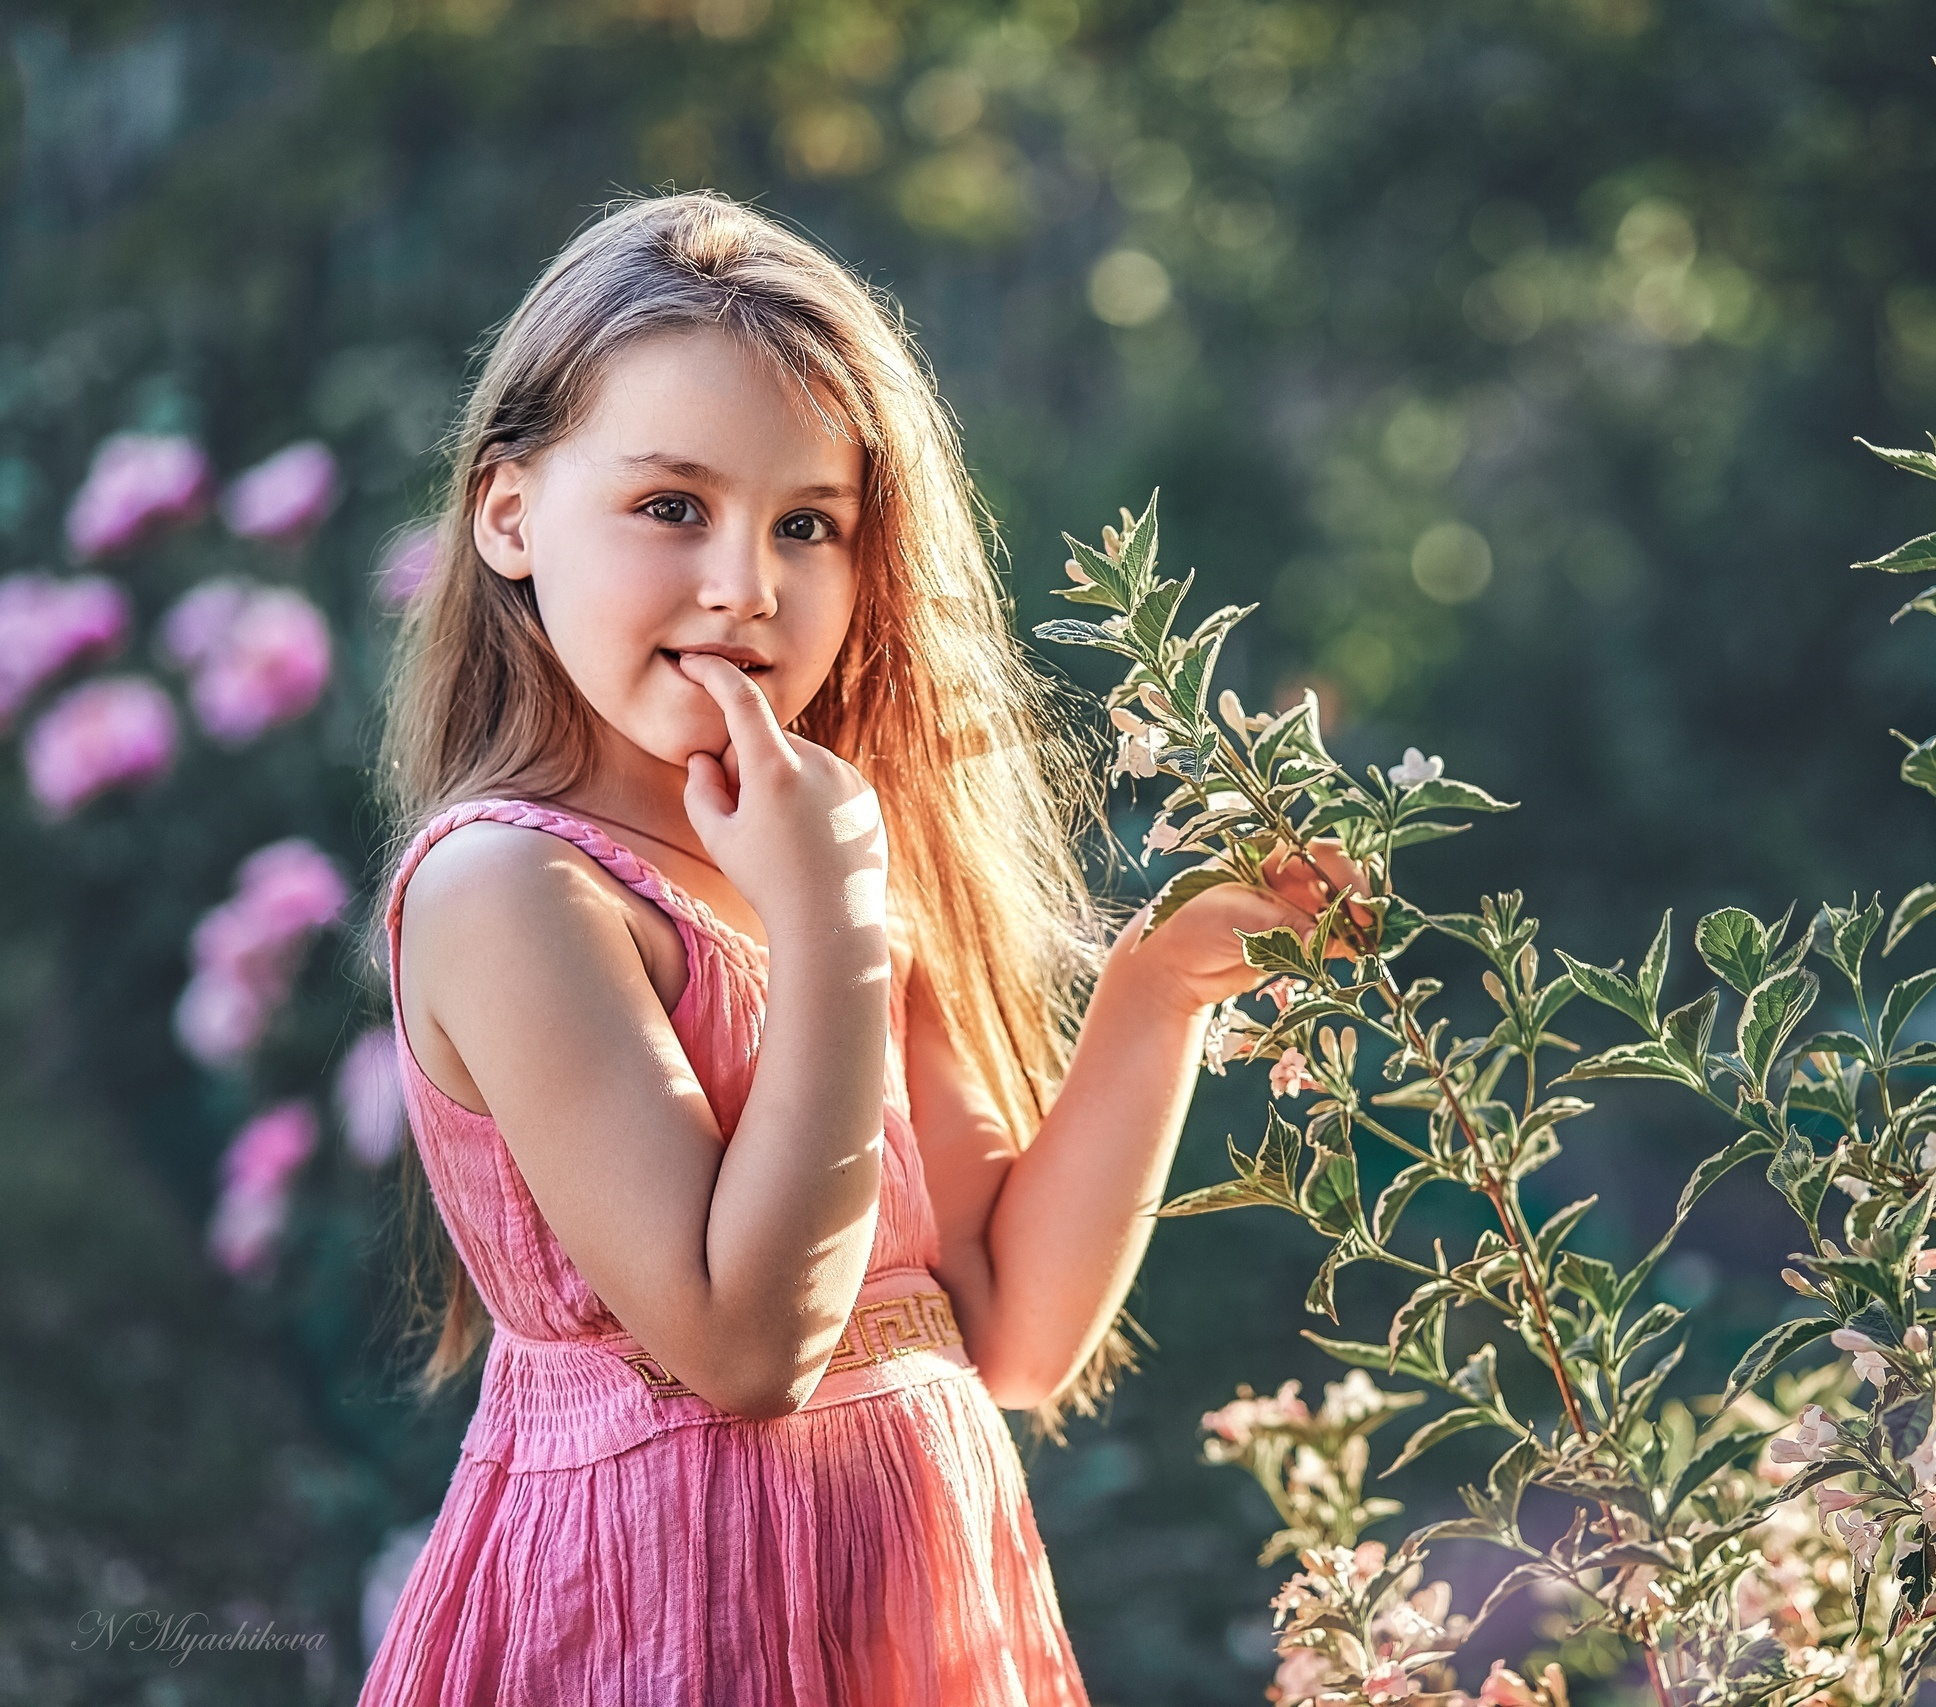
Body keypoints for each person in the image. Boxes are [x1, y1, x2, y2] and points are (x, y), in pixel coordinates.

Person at [356, 191, 1358, 1705]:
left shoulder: (828, 867)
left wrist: (1155, 994)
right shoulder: (513, 891)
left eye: (806, 525)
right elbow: (747, 1348)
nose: (744, 588)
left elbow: (1010, 1333)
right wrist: (831, 919)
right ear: (509, 514)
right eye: (671, 507)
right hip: (669, 1628)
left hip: (913, 1626)